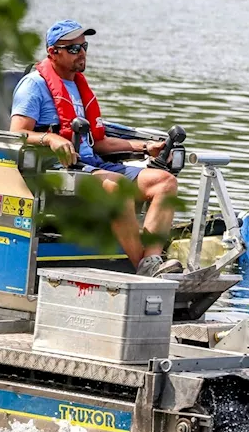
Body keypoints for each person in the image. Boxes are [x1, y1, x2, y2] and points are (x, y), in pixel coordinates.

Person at [9, 20, 183, 278]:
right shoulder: (34, 85)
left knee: (164, 183)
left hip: (94, 165)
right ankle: (144, 270)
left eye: (84, 46)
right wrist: (50, 139)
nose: (82, 53)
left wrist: (146, 148)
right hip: (57, 170)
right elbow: (16, 134)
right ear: (53, 52)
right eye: (74, 48)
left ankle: (152, 260)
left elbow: (98, 142)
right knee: (115, 186)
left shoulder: (78, 87)